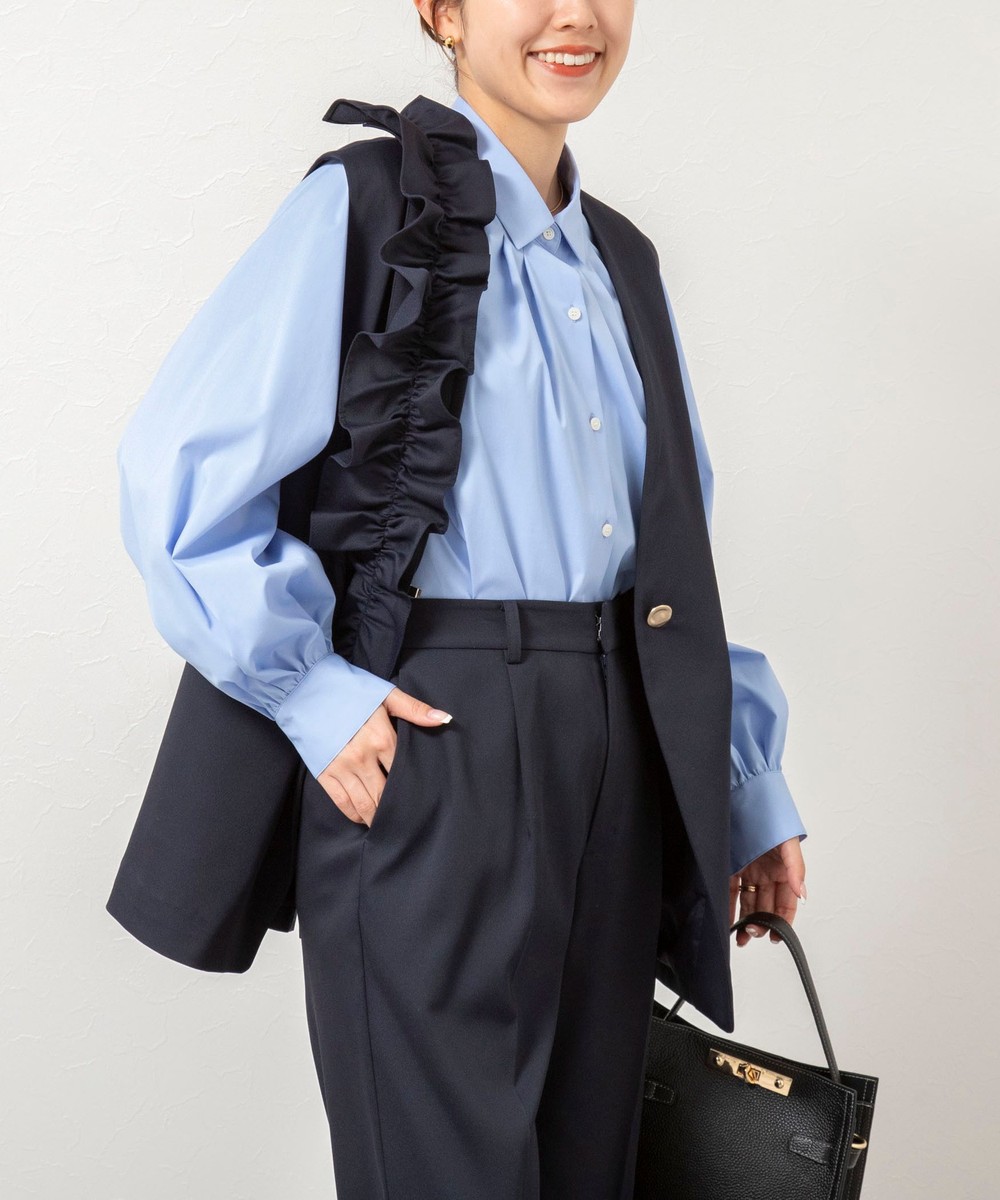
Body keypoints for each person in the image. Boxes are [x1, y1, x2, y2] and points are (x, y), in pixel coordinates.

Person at [115, 1, 808, 1195]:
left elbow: (671, 557)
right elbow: (179, 473)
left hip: (623, 754)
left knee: (591, 1169)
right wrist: (312, 692)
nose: (575, 16)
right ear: (442, 11)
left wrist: (743, 782)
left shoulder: (623, 260)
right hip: (438, 739)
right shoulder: (365, 207)